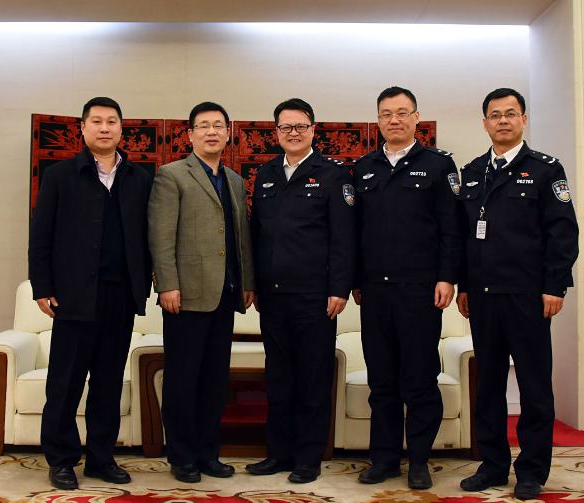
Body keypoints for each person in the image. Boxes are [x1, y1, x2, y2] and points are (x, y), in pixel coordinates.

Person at [456, 88, 579, 501]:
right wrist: (464, 285)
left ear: (523, 119)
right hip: (483, 298)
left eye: (511, 113)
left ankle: (531, 471)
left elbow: (563, 233)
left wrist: (554, 285)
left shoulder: (545, 169)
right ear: (485, 123)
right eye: (495, 115)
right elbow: (462, 237)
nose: (503, 121)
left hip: (528, 297)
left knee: (534, 387)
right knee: (488, 386)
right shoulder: (473, 172)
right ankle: (492, 465)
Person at [29, 97, 152, 490]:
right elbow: (40, 235)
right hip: (74, 296)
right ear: (82, 128)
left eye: (111, 121)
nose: (104, 128)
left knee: (108, 383)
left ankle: (101, 458)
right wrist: (42, 286)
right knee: (65, 383)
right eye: (96, 121)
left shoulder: (139, 178)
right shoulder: (60, 175)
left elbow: (149, 237)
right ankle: (62, 459)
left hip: (121, 295)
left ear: (121, 129)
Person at [352, 86, 461, 489]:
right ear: (378, 121)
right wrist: (354, 281)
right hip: (374, 291)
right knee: (381, 381)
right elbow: (354, 231)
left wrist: (447, 277)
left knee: (418, 380)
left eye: (402, 112)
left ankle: (418, 461)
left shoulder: (439, 165)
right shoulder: (363, 168)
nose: (394, 120)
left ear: (416, 118)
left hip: (421, 291)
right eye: (386, 114)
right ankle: (384, 461)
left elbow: (452, 227)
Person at [246, 98, 356, 483]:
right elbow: (256, 234)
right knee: (278, 379)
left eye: (300, 126)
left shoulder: (333, 174)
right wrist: (254, 284)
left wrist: (339, 288)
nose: (293, 133)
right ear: (276, 132)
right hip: (273, 297)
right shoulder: (266, 173)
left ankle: (308, 457)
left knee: (312, 380)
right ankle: (278, 453)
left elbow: (344, 237)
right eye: (285, 127)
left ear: (313, 129)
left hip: (316, 298)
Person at [148, 102, 255, 483]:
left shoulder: (235, 180)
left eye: (218, 126)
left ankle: (209, 454)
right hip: (186, 295)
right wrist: (167, 284)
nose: (212, 132)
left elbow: (241, 237)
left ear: (228, 134)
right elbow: (161, 236)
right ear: (190, 134)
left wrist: (247, 282)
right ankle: (182, 457)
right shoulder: (172, 175)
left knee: (214, 381)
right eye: (203, 126)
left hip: (225, 294)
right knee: (183, 380)